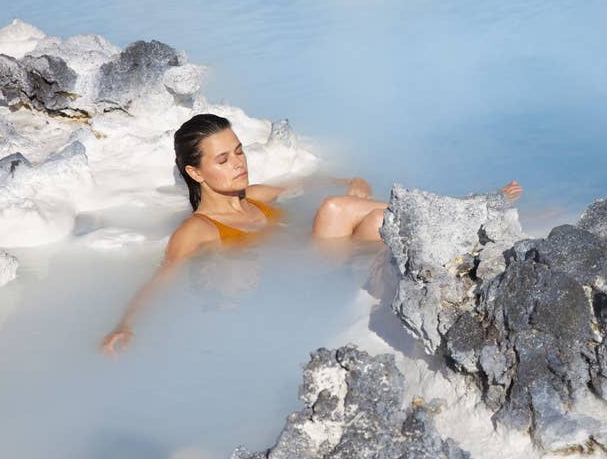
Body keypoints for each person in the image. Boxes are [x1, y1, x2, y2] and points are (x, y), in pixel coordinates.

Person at [101, 113, 522, 354]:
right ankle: (467, 210)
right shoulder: (198, 230)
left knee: (373, 221)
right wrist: (126, 325)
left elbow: (314, 180)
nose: (239, 164)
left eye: (240, 151)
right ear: (196, 172)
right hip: (301, 276)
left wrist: (351, 178)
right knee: (336, 209)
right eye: (223, 159)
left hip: (329, 259)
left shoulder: (257, 195)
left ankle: (457, 218)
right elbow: (162, 278)